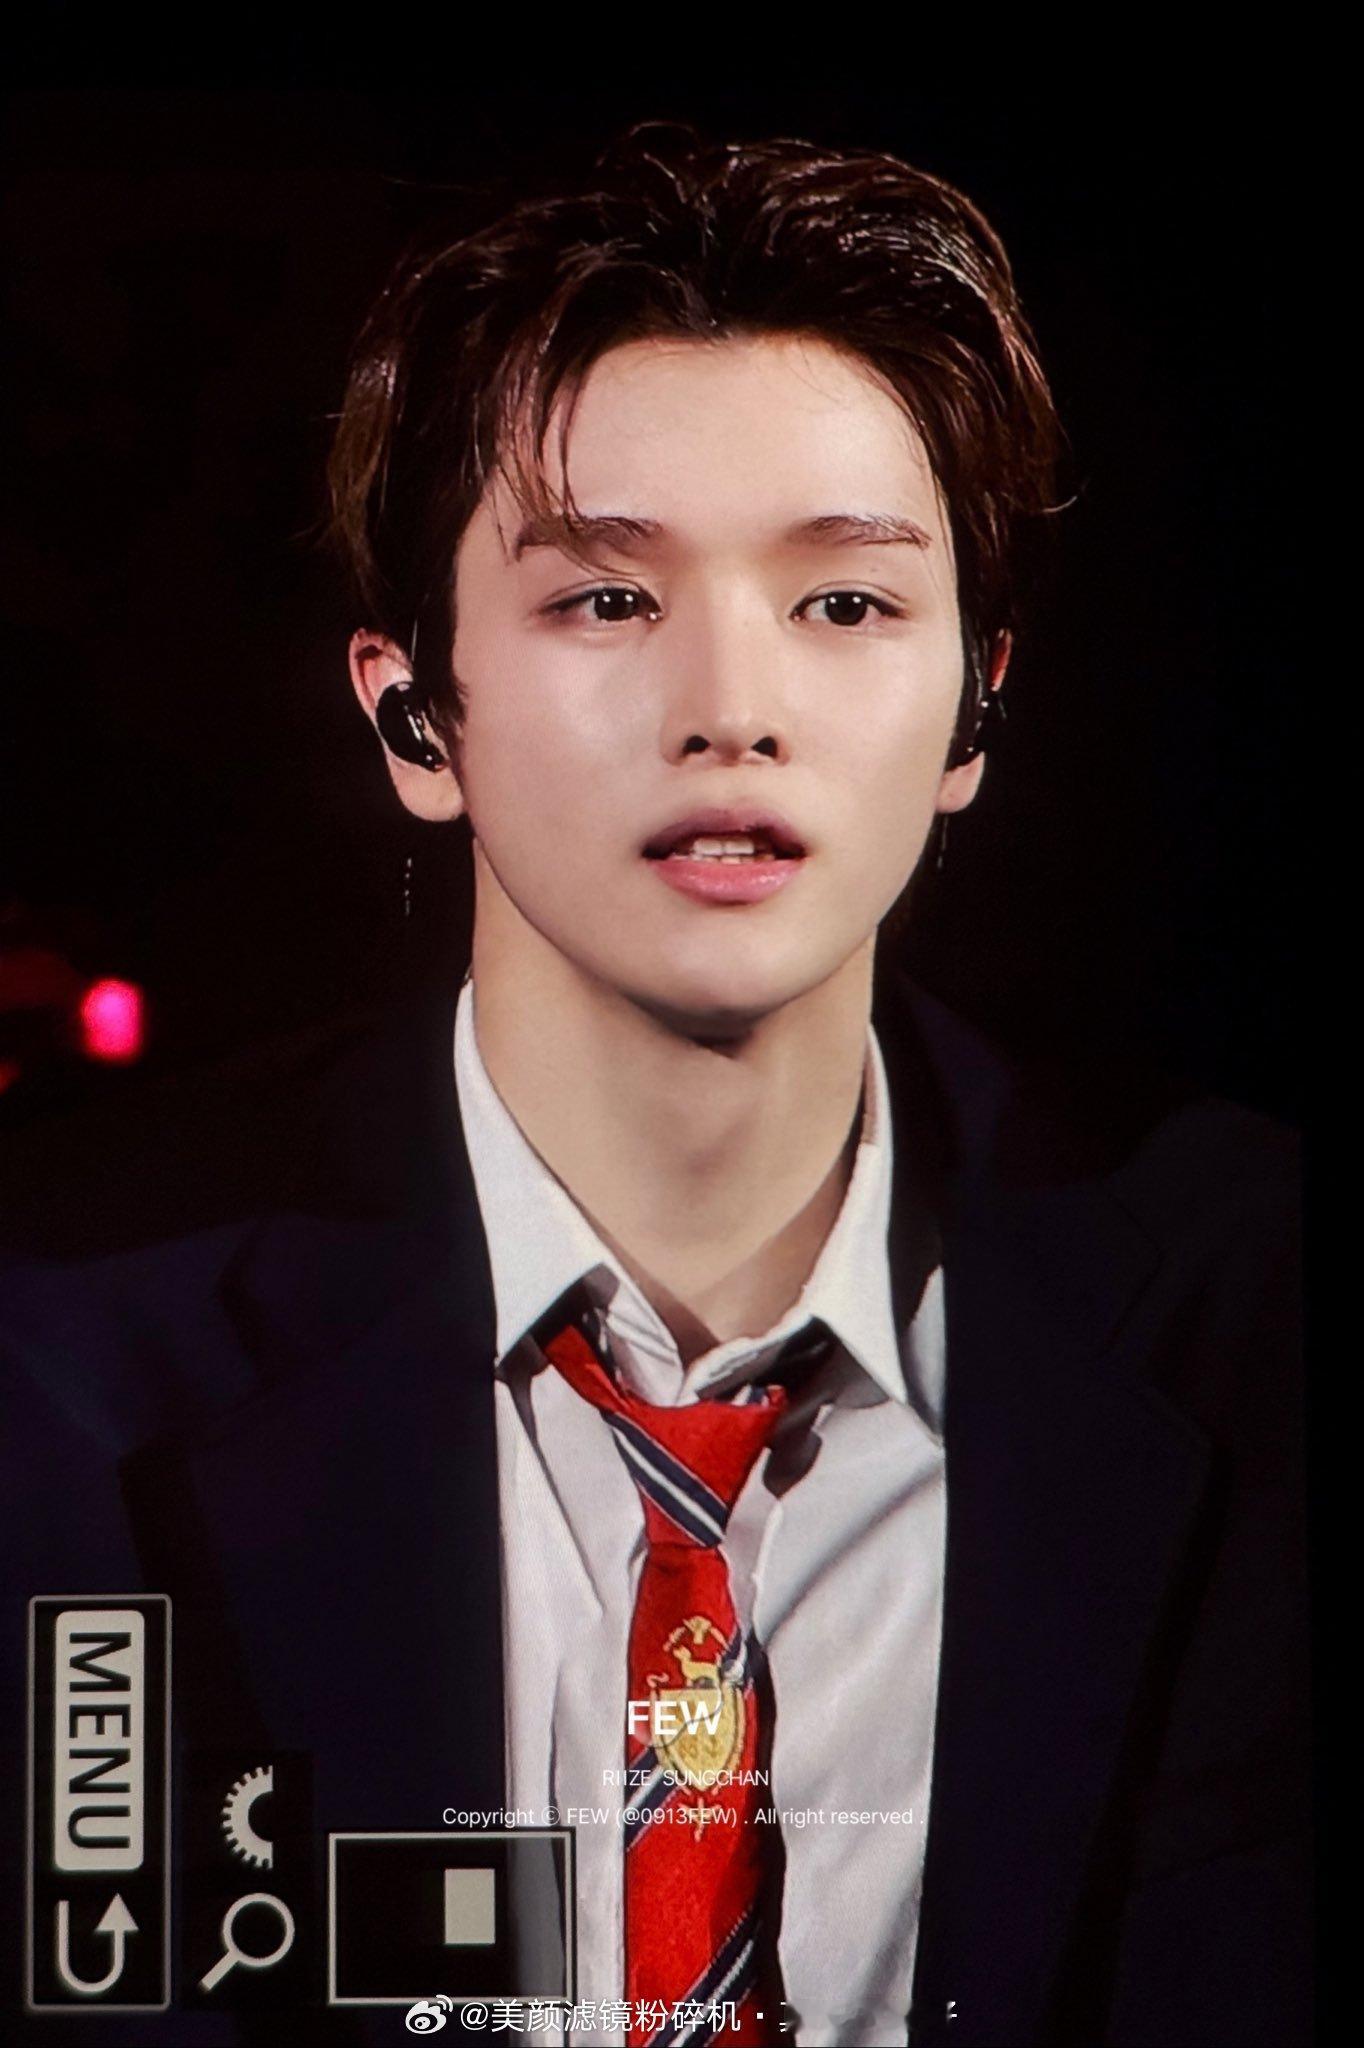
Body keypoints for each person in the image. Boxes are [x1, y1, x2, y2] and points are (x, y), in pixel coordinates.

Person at [0, 121, 1310, 2047]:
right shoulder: (57, 1360)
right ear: (413, 715)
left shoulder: (1251, 1315)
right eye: (607, 599)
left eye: (845, 604)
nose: (731, 708)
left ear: (977, 707)